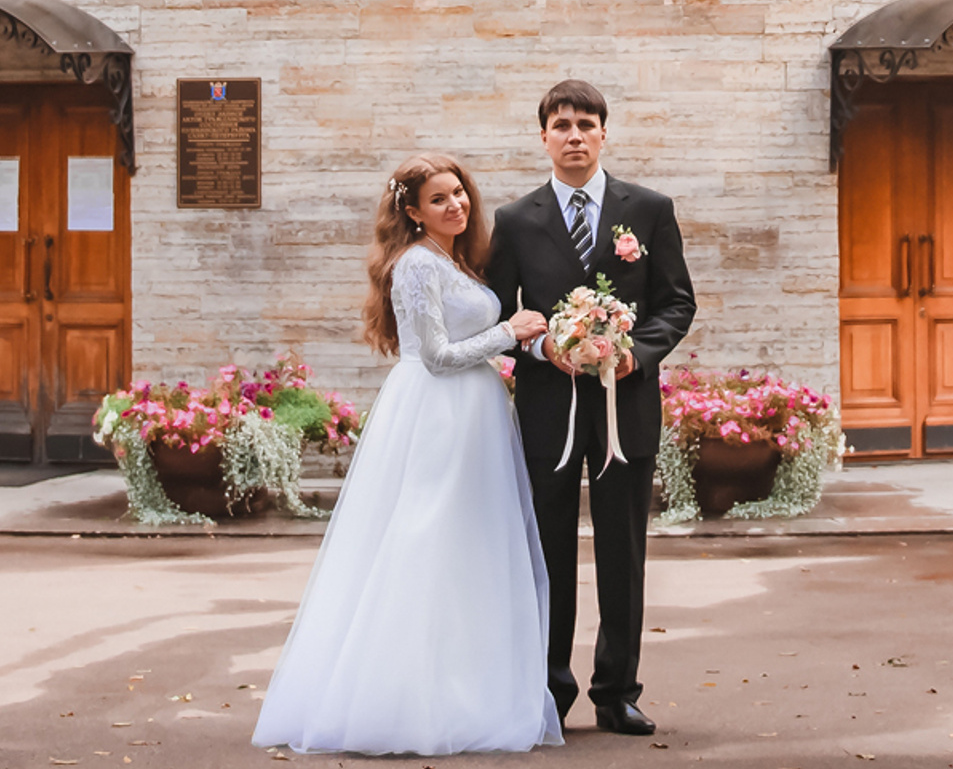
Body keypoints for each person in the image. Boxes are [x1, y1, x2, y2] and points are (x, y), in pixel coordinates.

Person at [252, 154, 561, 756]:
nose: (457, 205)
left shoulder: (455, 259)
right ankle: (407, 696)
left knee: (471, 545)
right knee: (427, 539)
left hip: (476, 411)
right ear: (413, 212)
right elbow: (435, 354)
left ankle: (469, 684)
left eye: (460, 193)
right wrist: (512, 331)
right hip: (439, 413)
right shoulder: (416, 264)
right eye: (440, 199)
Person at [481, 78, 697, 737]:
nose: (574, 136)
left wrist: (637, 353)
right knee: (546, 554)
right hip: (547, 412)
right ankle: (548, 689)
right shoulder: (516, 221)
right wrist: (544, 346)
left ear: (604, 132)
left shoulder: (650, 210)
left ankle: (616, 691)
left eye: (585, 124)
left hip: (624, 411)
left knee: (623, 550)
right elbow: (496, 315)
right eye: (561, 125)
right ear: (542, 136)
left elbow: (676, 301)